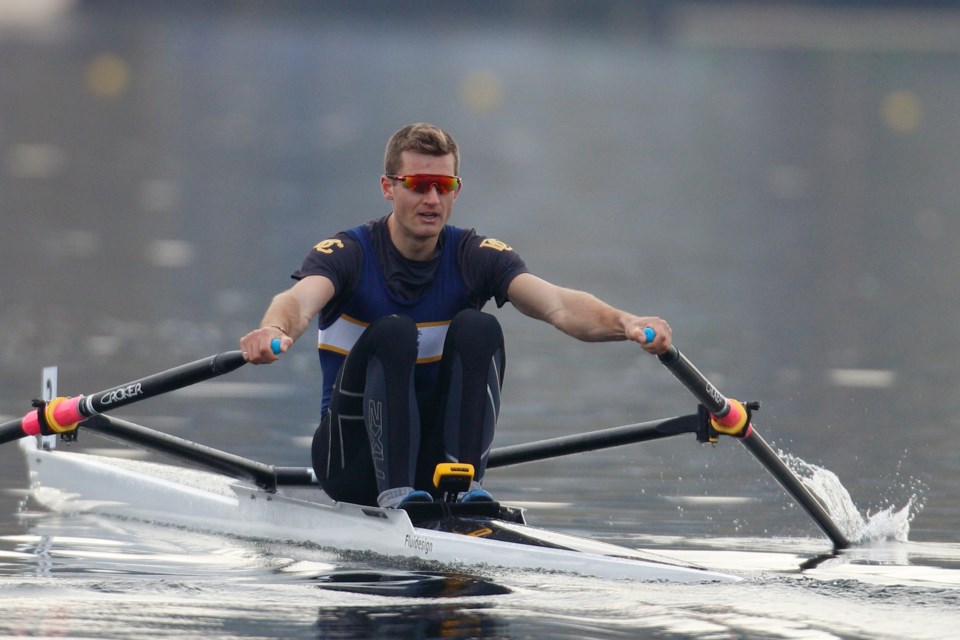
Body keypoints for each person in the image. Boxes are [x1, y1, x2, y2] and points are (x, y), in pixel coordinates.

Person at [240, 123, 671, 509]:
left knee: (479, 327)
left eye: (443, 186)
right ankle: (396, 497)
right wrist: (275, 329)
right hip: (350, 463)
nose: (432, 199)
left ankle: (462, 488)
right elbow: (298, 300)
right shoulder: (349, 254)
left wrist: (627, 323)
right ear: (388, 188)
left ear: (456, 191)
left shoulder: (474, 256)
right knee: (394, 332)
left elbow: (558, 304)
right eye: (418, 184)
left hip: (431, 468)